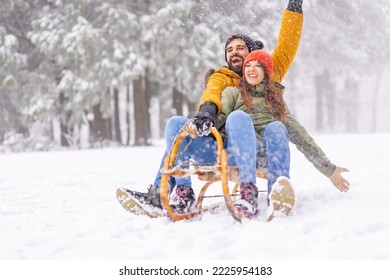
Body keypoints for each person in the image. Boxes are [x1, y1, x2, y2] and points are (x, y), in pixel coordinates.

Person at [126, 0, 305, 214]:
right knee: (177, 126)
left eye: (240, 48)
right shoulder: (221, 77)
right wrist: (207, 110)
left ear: (252, 52)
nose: (234, 52)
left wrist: (294, 7)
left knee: (252, 121)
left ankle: (276, 191)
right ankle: (179, 194)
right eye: (229, 49)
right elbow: (212, 93)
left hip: (254, 149)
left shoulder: (267, 73)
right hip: (220, 150)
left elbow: (287, 44)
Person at [213, 49, 350, 218]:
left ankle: (278, 191)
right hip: (238, 154)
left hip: (265, 155)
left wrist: (328, 168)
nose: (251, 69)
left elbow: (299, 134)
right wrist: (201, 121)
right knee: (237, 117)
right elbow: (218, 118)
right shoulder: (233, 93)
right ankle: (248, 192)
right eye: (248, 65)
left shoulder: (275, 100)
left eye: (258, 65)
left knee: (277, 127)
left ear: (266, 71)